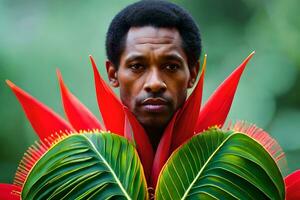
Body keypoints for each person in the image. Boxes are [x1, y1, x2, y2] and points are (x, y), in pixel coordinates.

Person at [105, 0, 201, 150]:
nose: (155, 83)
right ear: (113, 75)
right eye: (137, 66)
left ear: (193, 74)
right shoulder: (82, 166)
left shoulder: (228, 163)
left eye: (171, 67)